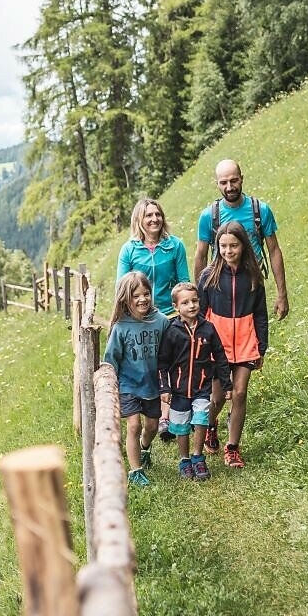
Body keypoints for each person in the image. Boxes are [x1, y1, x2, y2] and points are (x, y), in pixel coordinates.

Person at [115, 197, 190, 442]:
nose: (154, 219)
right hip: (139, 316)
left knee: (168, 364)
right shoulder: (129, 250)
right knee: (147, 363)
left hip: (169, 315)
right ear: (139, 219)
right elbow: (121, 287)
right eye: (149, 215)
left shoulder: (175, 246)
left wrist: (184, 312)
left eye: (157, 214)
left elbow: (183, 281)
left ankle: (166, 418)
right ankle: (147, 408)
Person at [198, 220, 267, 469]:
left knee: (239, 393)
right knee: (217, 398)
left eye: (233, 246)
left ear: (243, 246)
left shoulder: (253, 275)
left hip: (246, 342)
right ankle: (210, 426)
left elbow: (261, 314)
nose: (228, 251)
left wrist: (261, 347)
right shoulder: (208, 276)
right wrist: (202, 345)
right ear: (217, 247)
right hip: (218, 346)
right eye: (223, 246)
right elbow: (200, 314)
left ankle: (233, 448)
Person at [192, 159, 289, 323]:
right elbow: (200, 256)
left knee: (254, 332)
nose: (229, 187)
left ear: (242, 179)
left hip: (252, 285)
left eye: (234, 180)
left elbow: (274, 251)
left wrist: (282, 294)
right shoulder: (208, 216)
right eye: (223, 182)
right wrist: (200, 299)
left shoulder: (260, 210)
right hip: (220, 288)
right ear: (217, 184)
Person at [102, 271, 169, 487]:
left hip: (152, 384)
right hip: (128, 385)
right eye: (136, 296)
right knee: (133, 425)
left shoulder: (161, 322)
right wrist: (110, 385)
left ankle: (144, 447)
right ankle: (135, 470)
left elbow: (169, 352)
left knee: (152, 426)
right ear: (125, 298)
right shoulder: (121, 327)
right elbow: (111, 359)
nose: (142, 299)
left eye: (146, 294)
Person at [157, 281, 226, 481]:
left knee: (202, 418)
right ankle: (185, 460)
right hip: (179, 390)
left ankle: (198, 457)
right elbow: (162, 362)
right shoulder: (171, 331)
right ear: (176, 306)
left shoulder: (208, 329)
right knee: (181, 426)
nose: (191, 305)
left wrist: (226, 384)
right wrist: (164, 387)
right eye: (185, 302)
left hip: (202, 387)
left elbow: (220, 356)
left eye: (194, 301)